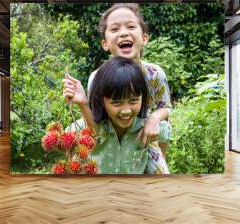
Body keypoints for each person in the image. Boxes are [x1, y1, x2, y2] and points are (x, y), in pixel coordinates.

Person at [88, 3, 172, 153]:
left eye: (131, 27)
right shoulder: (96, 78)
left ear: (144, 38)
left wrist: (154, 119)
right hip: (110, 151)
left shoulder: (155, 74)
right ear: (105, 44)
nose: (123, 33)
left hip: (145, 145)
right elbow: (93, 121)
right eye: (114, 29)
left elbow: (165, 109)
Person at [63, 57, 170, 174]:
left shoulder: (145, 126)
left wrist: (154, 119)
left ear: (143, 98)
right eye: (116, 102)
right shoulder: (82, 128)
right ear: (102, 100)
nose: (126, 111)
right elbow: (69, 141)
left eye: (133, 100)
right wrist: (83, 103)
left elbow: (166, 131)